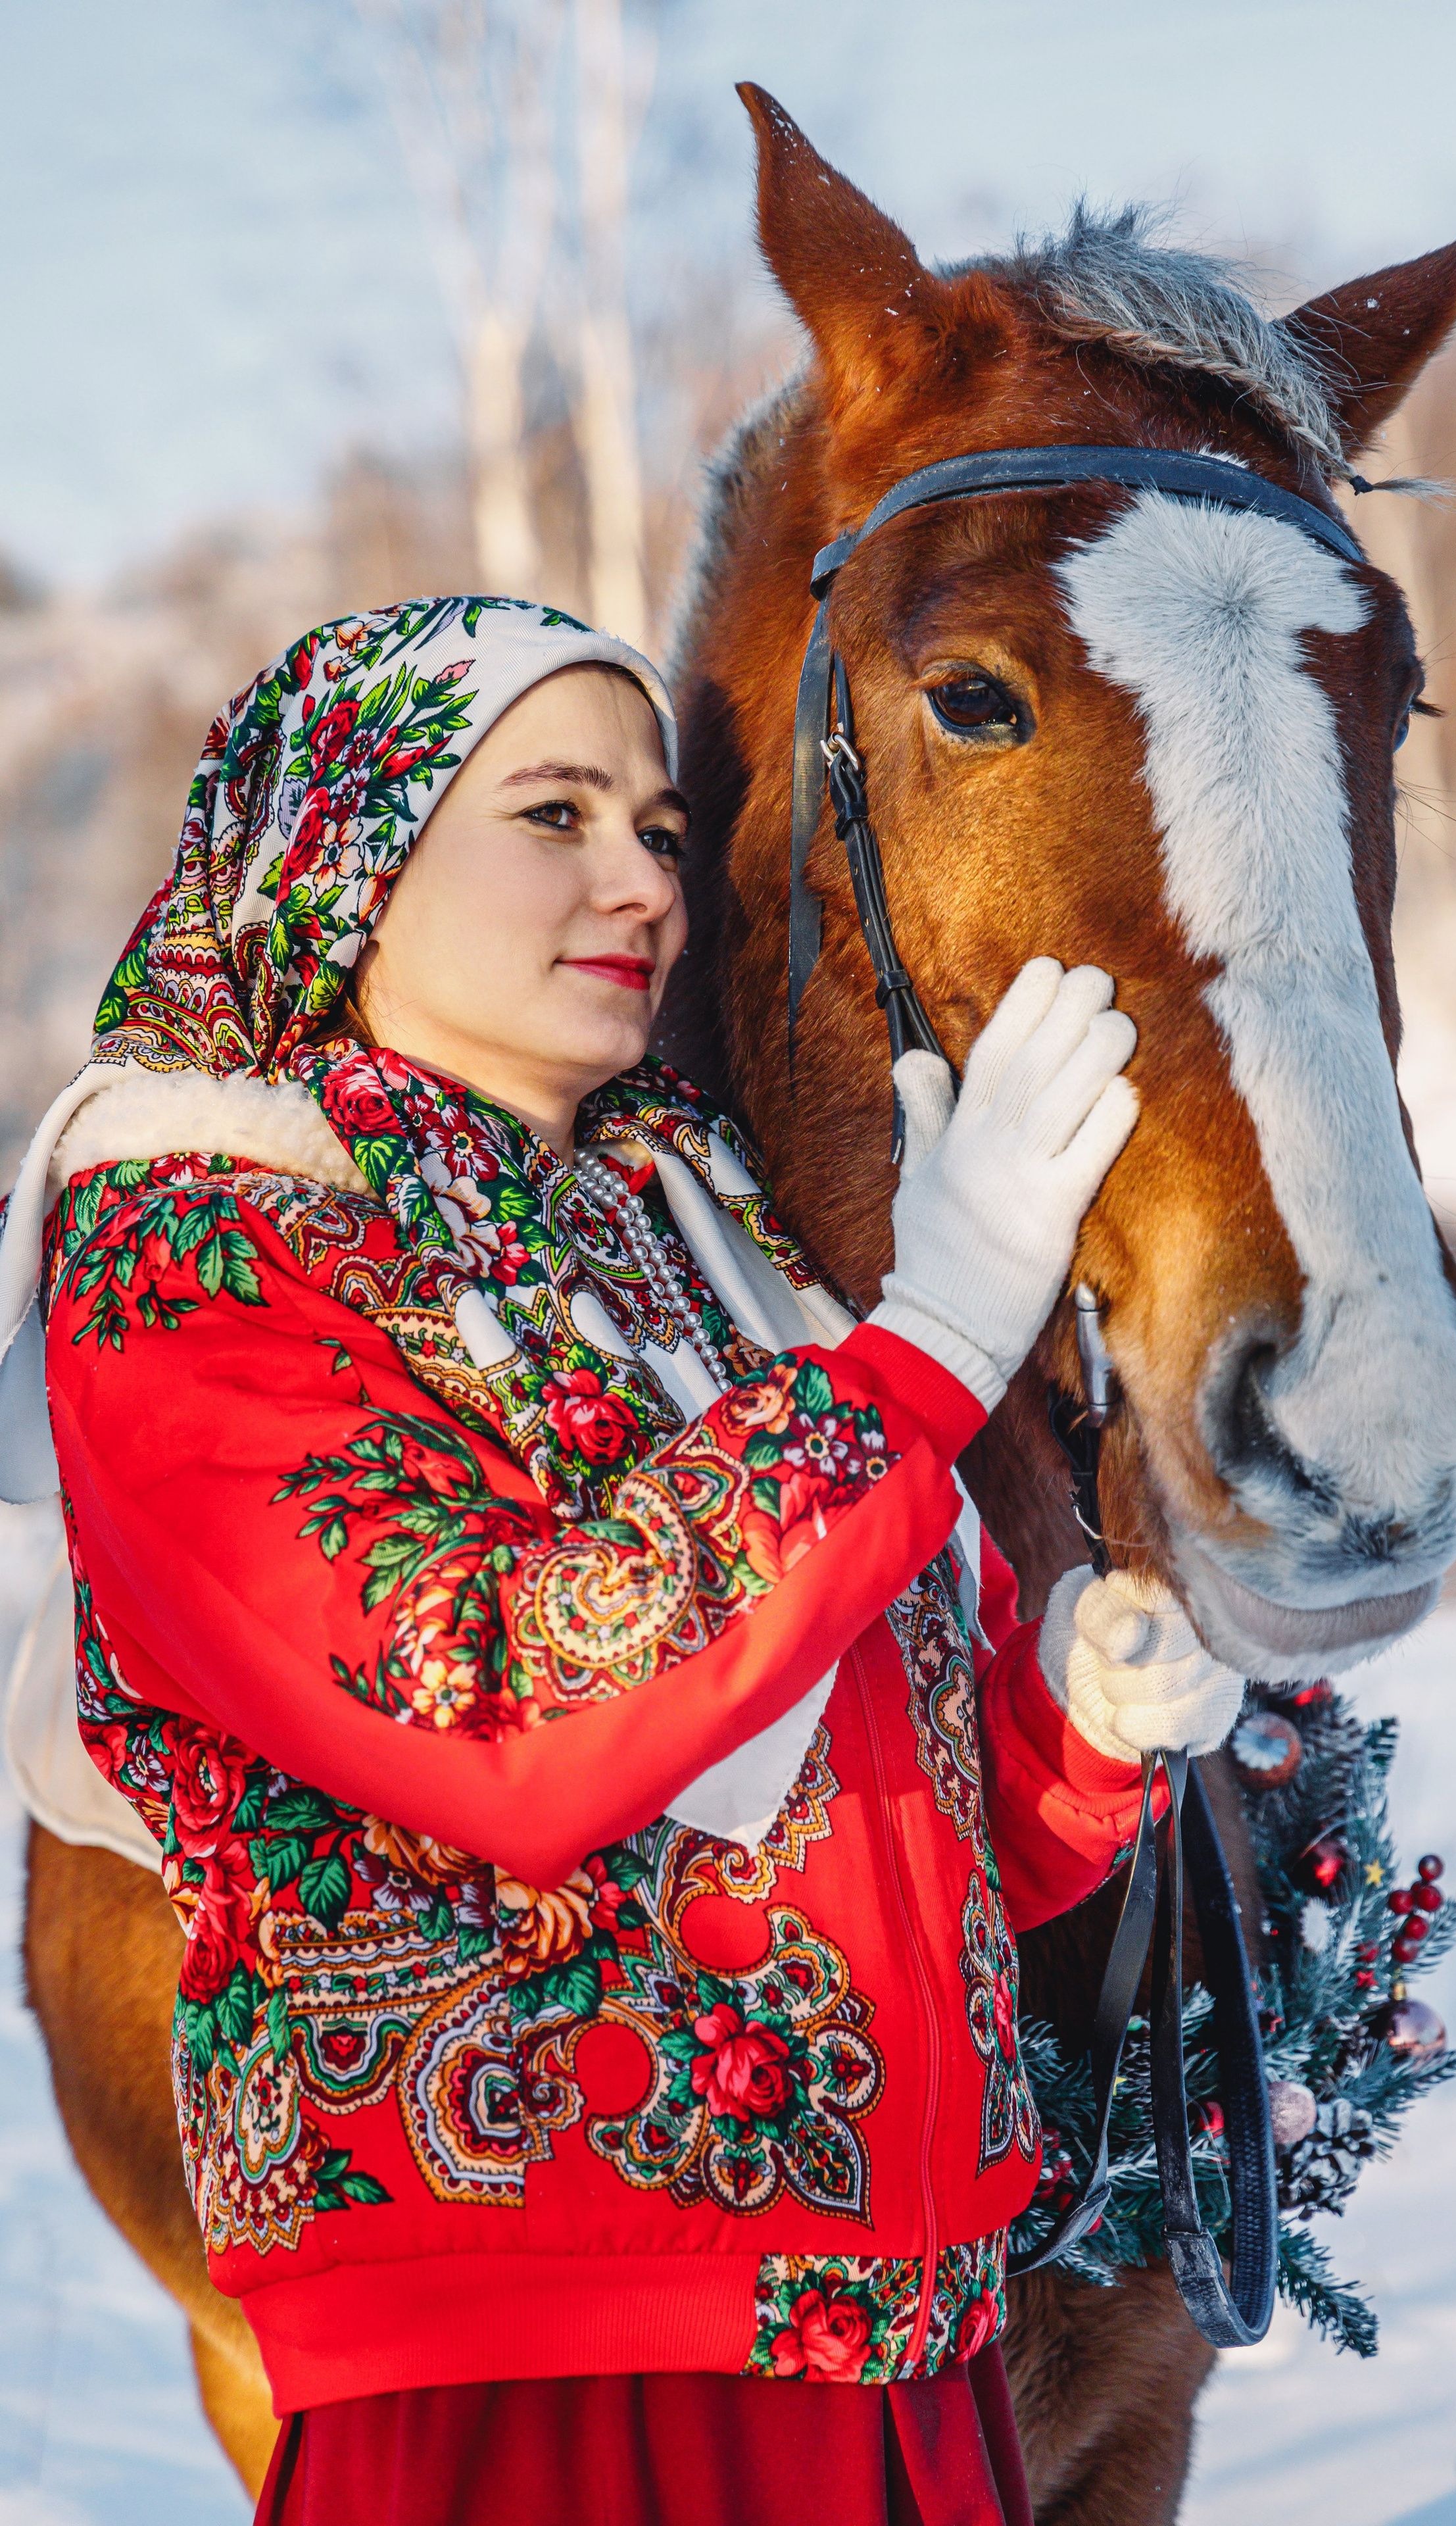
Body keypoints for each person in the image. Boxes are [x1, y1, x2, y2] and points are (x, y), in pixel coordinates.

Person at [0, 598, 1243, 2526]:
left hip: (882, 2345)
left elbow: (842, 1818)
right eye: (552, 813)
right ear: (351, 848)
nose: (638, 879)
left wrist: (1063, 1729)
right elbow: (493, 1721)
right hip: (544, 2369)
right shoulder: (204, 1249)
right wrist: (925, 1349)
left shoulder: (687, 1241)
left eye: (660, 829)